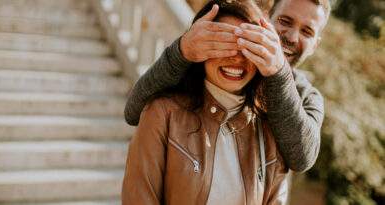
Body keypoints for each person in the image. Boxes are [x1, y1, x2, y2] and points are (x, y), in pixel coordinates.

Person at [124, 0, 330, 172]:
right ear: (265, 19)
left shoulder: (307, 96)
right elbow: (133, 112)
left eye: (307, 31)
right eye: (285, 21)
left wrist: (278, 73)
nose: (292, 37)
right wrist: (181, 51)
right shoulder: (216, 66)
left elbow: (302, 159)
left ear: (315, 44)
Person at [122, 0, 288, 204]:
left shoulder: (270, 130)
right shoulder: (162, 113)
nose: (237, 57)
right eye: (224, 43)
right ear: (200, 48)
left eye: (248, 46)